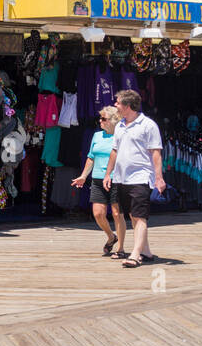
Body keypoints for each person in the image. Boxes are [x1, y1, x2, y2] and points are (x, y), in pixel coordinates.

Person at [102, 89, 165, 267]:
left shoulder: (148, 125)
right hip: (122, 178)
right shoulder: (120, 126)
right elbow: (115, 151)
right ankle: (146, 251)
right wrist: (108, 174)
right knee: (133, 215)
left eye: (118, 102)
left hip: (141, 176)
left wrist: (159, 178)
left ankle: (136, 254)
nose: (115, 105)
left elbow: (155, 153)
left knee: (140, 216)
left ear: (128, 106)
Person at [71, 106, 125, 257]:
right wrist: (83, 176)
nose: (100, 121)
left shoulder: (121, 136)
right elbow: (91, 157)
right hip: (98, 179)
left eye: (104, 119)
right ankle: (111, 236)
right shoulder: (97, 136)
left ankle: (120, 248)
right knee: (98, 213)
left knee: (116, 213)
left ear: (114, 121)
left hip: (116, 179)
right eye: (100, 118)